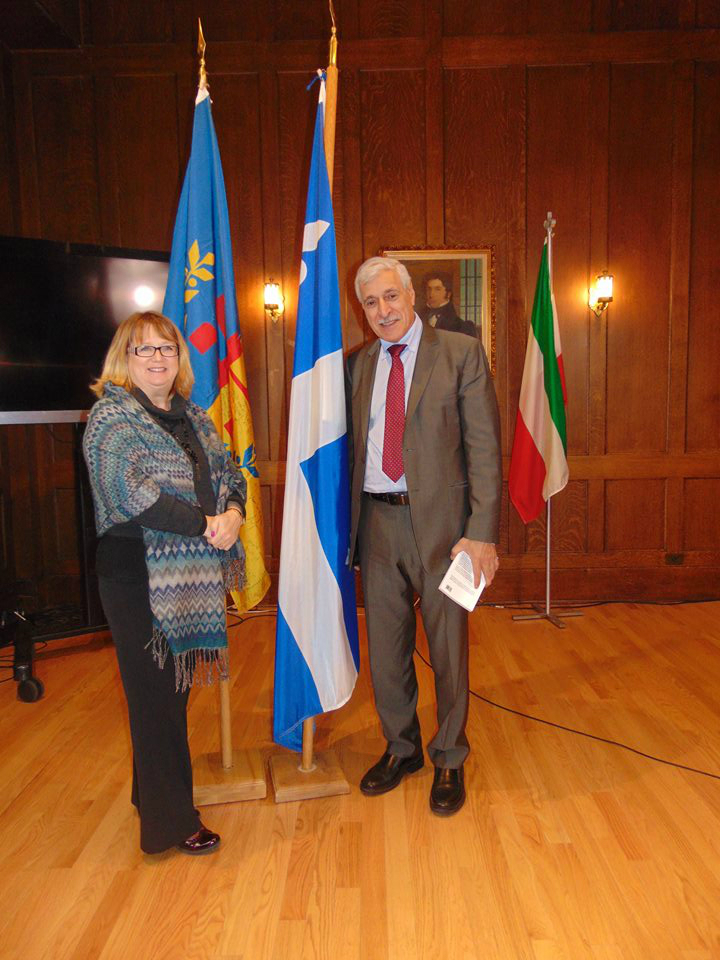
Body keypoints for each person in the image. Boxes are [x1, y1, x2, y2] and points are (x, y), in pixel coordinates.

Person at [83, 310, 247, 855]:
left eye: (167, 348)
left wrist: (234, 514)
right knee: (155, 700)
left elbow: (231, 474)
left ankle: (150, 797)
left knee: (166, 698)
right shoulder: (110, 417)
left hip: (187, 575)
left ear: (180, 358)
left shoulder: (195, 417)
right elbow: (131, 494)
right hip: (134, 572)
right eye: (144, 349)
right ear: (124, 359)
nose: (158, 358)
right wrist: (205, 524)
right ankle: (172, 824)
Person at [347, 256, 501, 816]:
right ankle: (403, 747)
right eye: (371, 302)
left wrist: (481, 533)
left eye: (391, 296)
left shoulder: (461, 353)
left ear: (411, 295)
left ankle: (450, 755)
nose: (383, 310)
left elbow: (484, 449)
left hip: (444, 530)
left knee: (448, 648)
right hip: (377, 524)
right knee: (386, 651)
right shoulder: (357, 364)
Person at [420, 270, 478, 338]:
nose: (431, 294)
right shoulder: (419, 317)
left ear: (448, 294)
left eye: (437, 289)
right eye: (429, 289)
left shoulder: (461, 326)